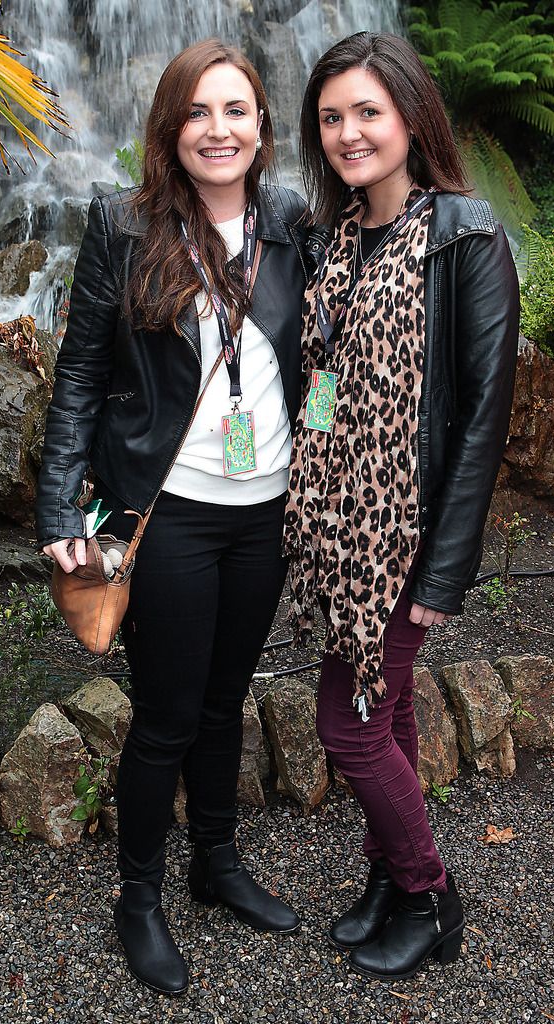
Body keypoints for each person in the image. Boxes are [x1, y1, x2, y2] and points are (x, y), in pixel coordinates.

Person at [36, 39, 312, 996]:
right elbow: (76, 375)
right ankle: (139, 897)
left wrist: (314, 439)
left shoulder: (290, 219)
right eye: (197, 112)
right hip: (171, 513)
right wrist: (59, 500)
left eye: (235, 110)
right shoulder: (123, 225)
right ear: (170, 127)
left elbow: (318, 355)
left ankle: (217, 862)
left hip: (265, 508)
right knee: (164, 718)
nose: (217, 129)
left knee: (225, 702)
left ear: (263, 127)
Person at [283, 31, 519, 982]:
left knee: (347, 727)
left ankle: (428, 891)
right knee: (389, 714)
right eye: (332, 116)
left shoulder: (464, 234)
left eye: (366, 112)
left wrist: (444, 569)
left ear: (410, 117)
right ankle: (385, 877)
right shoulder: (331, 233)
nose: (348, 133)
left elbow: (481, 419)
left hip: (403, 535)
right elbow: (321, 384)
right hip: (340, 529)